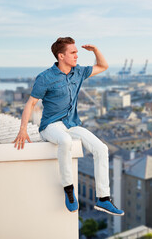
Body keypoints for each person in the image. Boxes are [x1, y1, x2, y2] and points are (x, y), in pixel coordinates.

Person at [13, 37, 124, 216]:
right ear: (61, 56)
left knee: (101, 149)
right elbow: (31, 103)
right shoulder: (45, 77)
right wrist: (23, 129)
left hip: (72, 124)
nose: (77, 55)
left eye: (76, 52)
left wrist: (95, 50)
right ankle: (69, 190)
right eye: (73, 52)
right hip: (50, 126)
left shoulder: (78, 72)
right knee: (65, 141)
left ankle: (103, 198)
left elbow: (103, 66)